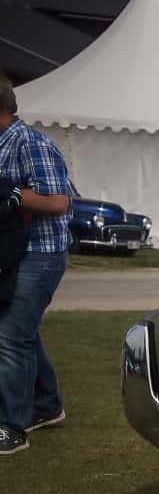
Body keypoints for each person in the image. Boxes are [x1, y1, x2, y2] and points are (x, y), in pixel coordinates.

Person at [0, 75, 75, 456]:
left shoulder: (29, 142)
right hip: (14, 253)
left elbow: (59, 201)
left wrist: (13, 195)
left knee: (11, 336)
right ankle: (46, 406)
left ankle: (13, 426)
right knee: (20, 331)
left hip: (41, 254)